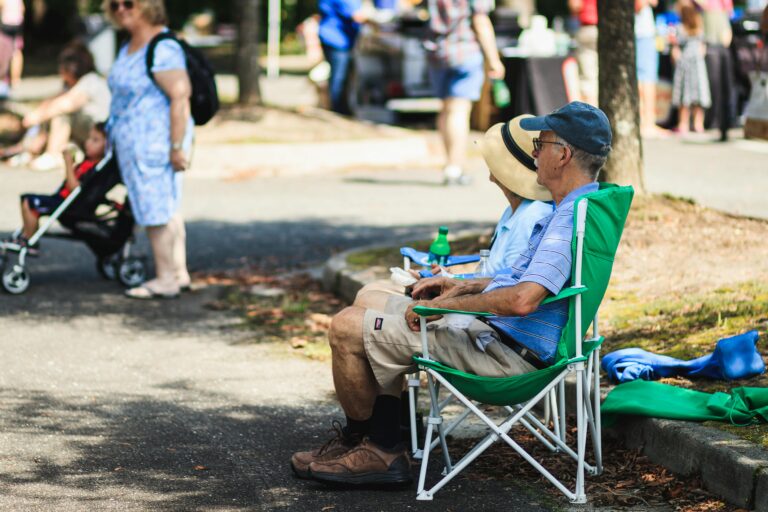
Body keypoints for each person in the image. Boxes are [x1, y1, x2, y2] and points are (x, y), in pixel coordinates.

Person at [290, 101, 612, 486]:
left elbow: (521, 300)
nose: (534, 153)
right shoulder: (577, 209)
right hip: (505, 339)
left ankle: (380, 449)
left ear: (563, 155)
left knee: (346, 327)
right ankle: (380, 440)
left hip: (506, 355)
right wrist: (461, 285)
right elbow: (516, 282)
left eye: (540, 144)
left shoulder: (562, 225)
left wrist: (447, 305)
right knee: (372, 304)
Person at [354, 114, 554, 312]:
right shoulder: (517, 210)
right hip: (472, 304)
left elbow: (507, 288)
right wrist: (448, 279)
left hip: (479, 317)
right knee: (370, 291)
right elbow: (495, 274)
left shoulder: (531, 216)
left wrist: (452, 287)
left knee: (367, 299)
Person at [104, 0, 193, 299]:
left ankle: (166, 277)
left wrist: (178, 146)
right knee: (165, 207)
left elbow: (180, 97)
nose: (120, 9)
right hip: (134, 143)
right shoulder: (129, 44)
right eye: (114, 4)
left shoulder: (162, 46)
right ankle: (178, 272)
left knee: (155, 210)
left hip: (155, 143)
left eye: (128, 3)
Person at [423, 0, 505, 185]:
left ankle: (449, 162)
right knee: (458, 111)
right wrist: (493, 58)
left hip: (437, 52)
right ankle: (455, 166)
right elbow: (480, 21)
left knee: (445, 109)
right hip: (465, 51)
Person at [4, 43, 111, 171]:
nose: (60, 72)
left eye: (62, 68)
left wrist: (37, 116)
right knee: (52, 110)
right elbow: (53, 100)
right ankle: (31, 149)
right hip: (86, 133)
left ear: (72, 69)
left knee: (60, 113)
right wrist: (39, 113)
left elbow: (66, 104)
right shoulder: (71, 85)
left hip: (100, 132)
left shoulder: (91, 81)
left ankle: (53, 154)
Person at [13, 123, 107, 254]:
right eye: (89, 138)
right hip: (62, 199)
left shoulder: (96, 169)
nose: (88, 143)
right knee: (26, 199)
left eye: (95, 140)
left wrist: (68, 164)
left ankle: (29, 241)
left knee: (30, 202)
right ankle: (26, 234)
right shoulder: (88, 162)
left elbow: (75, 189)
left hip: (70, 205)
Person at [318, 0, 368, 114]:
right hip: (336, 40)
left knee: (342, 76)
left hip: (340, 39)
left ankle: (341, 107)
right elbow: (357, 16)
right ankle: (338, 109)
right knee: (339, 77)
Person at [672, 3, 712, 134]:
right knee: (698, 95)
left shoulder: (679, 28)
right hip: (697, 65)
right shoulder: (699, 29)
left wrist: (677, 61)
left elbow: (675, 50)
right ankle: (698, 124)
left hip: (685, 65)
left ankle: (683, 124)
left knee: (685, 95)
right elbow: (703, 48)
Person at [636, 0, 662, 137]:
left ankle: (645, 122)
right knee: (646, 79)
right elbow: (639, 5)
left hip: (641, 33)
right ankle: (647, 123)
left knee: (642, 78)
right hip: (642, 33)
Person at [569, 0, 599, 106]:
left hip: (588, 28)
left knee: (588, 77)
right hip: (608, 29)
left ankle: (592, 115)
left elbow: (575, 5)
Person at [0, 0, 25, 88]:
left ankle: (2, 78)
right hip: (17, 24)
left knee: (3, 52)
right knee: (16, 51)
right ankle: (16, 79)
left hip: (6, 25)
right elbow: (22, 8)